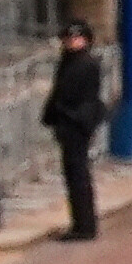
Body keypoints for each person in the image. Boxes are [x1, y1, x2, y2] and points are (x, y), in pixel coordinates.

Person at [42, 19, 107, 242]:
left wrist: (64, 114)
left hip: (77, 122)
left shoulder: (85, 64)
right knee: (74, 173)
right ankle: (80, 222)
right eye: (69, 38)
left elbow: (72, 96)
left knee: (78, 173)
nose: (72, 42)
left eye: (77, 38)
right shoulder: (68, 62)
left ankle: (84, 225)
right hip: (69, 122)